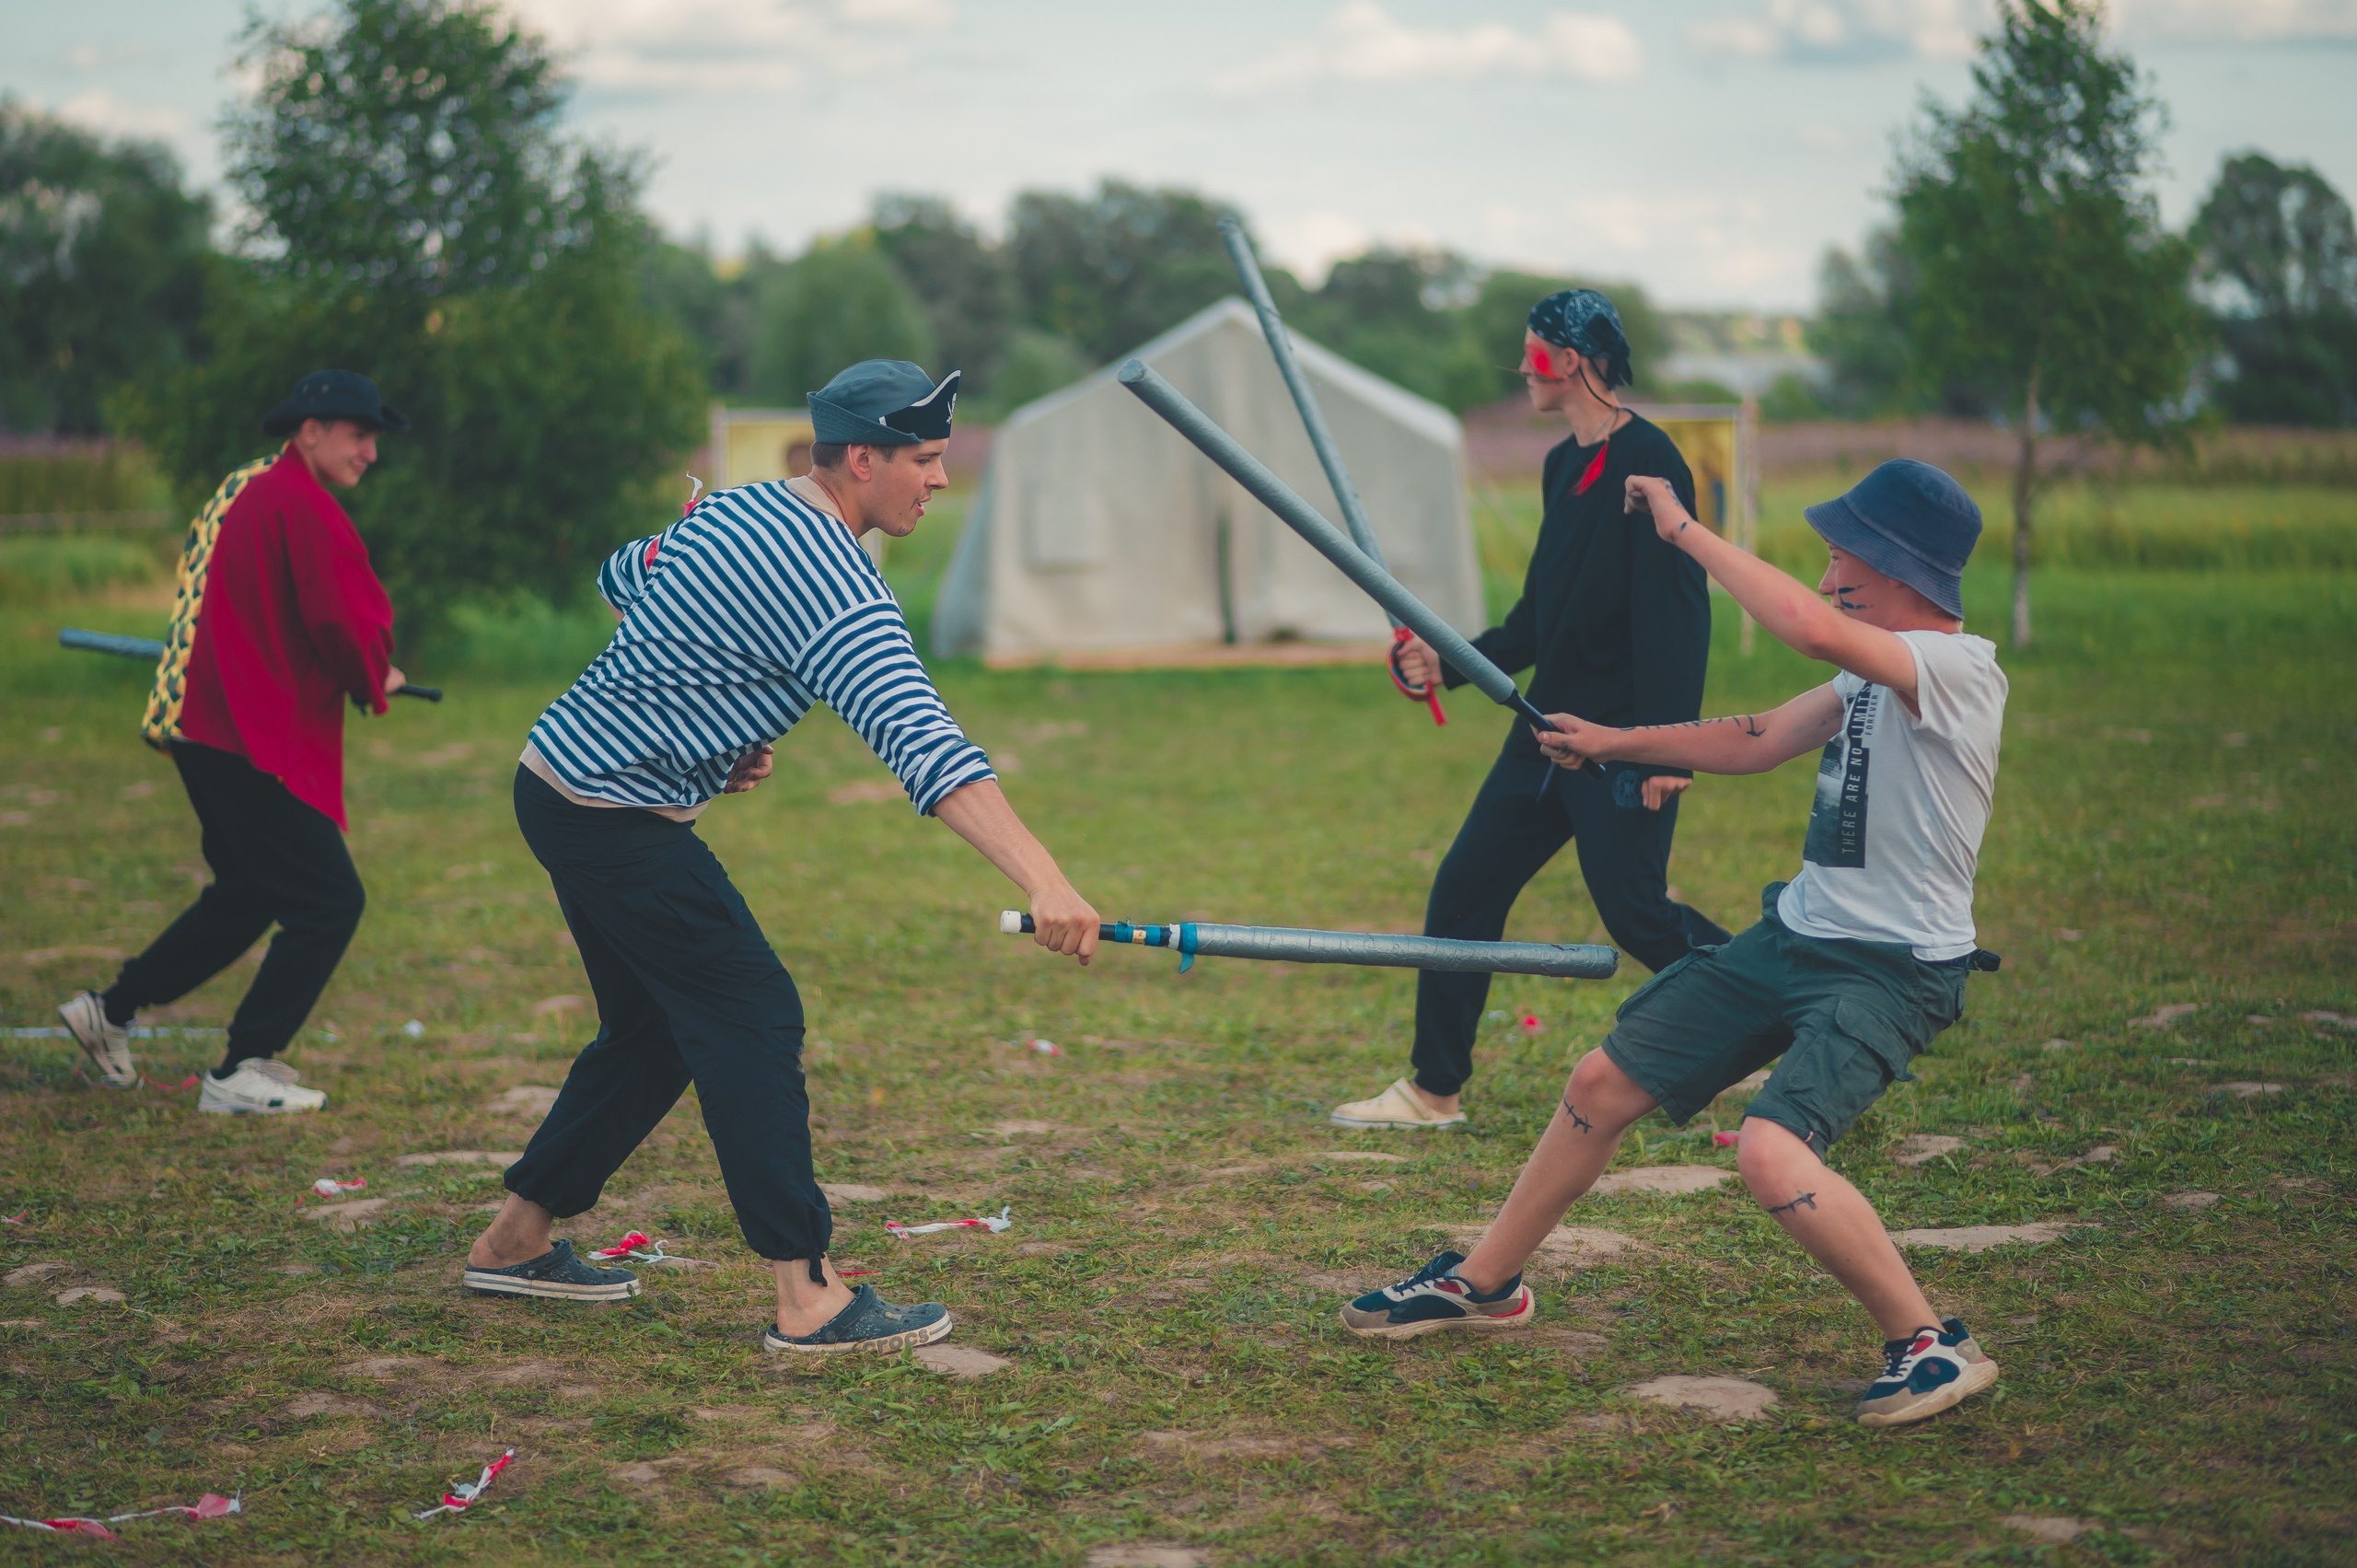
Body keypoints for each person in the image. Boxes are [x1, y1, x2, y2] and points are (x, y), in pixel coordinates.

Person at [1338, 459, 2007, 1429]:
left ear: (1900, 564)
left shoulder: (1956, 670)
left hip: (1893, 969)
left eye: (1841, 560)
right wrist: (1612, 742)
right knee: (1600, 1082)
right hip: (1797, 934)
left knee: (1772, 1154)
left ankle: (1928, 1343)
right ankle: (1484, 1284)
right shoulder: (1868, 673)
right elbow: (1758, 736)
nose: (1828, 581)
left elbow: (1810, 624)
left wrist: (1683, 531)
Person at [461, 359, 1101, 1356]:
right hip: (611, 812)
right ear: (862, 459)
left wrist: (706, 721)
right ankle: (808, 1297)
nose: (941, 478)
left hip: (558, 782)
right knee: (751, 1013)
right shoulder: (833, 586)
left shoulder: (741, 509)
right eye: (925, 460)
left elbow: (625, 575)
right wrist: (1044, 878)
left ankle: (513, 1240)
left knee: (655, 1030)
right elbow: (925, 745)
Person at [1332, 288, 1729, 1132]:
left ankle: (1799, 1012)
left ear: (1573, 359)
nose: (1522, 367)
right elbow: (1536, 621)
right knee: (1465, 890)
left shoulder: (1650, 460)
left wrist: (1667, 750)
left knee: (1637, 913)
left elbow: (1677, 613)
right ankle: (1434, 1090)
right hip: (1545, 731)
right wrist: (1446, 660)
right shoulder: (1560, 466)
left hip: (1620, 740)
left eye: (1535, 352)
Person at [58, 370, 408, 1113]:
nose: (371, 452)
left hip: (202, 724)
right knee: (329, 899)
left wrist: (362, 667)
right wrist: (374, 672)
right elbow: (342, 620)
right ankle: (241, 1068)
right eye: (359, 434)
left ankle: (109, 1011)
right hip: (242, 734)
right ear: (310, 430)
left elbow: (268, 610)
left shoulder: (245, 488)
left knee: (252, 892)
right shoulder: (304, 506)